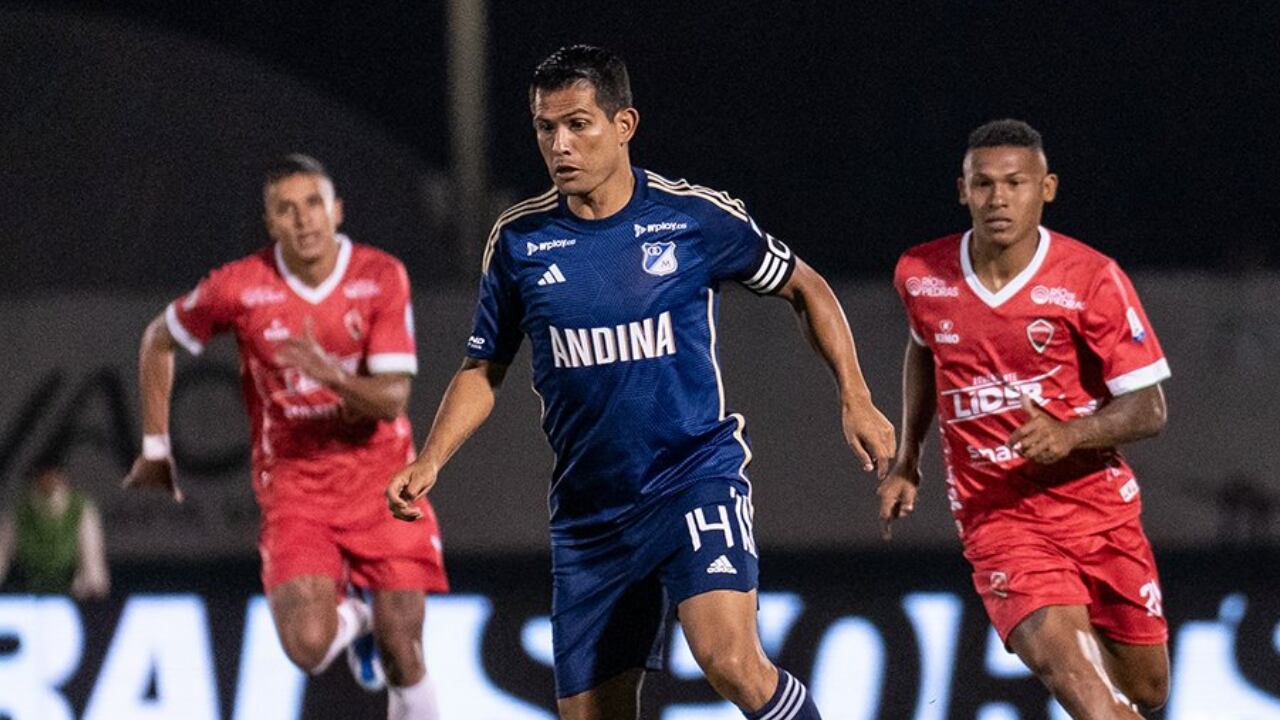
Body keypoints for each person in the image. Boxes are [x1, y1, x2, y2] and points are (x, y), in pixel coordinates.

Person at [387, 45, 895, 720]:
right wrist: (431, 459)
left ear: (624, 124)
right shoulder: (520, 242)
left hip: (691, 478)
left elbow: (805, 285)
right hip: (591, 516)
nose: (559, 145)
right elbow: (485, 367)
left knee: (729, 660)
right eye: (546, 128)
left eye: (578, 124)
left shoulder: (691, 218)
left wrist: (854, 396)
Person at [124, 154, 448, 719]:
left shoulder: (380, 275)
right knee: (308, 647)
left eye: (314, 204)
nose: (303, 220)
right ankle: (359, 619)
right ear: (271, 222)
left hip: (384, 481)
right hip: (296, 485)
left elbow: (393, 397)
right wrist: (155, 447)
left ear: (337, 210)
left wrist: (332, 376)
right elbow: (159, 338)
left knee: (405, 652)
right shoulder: (240, 286)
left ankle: (381, 629)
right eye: (286, 209)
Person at [880, 119, 1171, 718]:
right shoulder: (922, 274)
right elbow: (925, 348)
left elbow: (1149, 408)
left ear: (1048, 188)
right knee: (1084, 690)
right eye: (983, 184)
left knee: (1144, 692)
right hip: (1000, 519)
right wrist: (907, 458)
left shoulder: (1091, 278)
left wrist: (1071, 434)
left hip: (1099, 513)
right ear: (962, 191)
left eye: (1015, 183)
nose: (998, 198)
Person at [0, 463, 110, 599]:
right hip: (28, 590)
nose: (49, 481)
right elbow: (2, 553)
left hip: (71, 592)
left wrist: (97, 588)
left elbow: (91, 554)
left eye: (54, 476)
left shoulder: (81, 509)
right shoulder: (19, 511)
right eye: (45, 477)